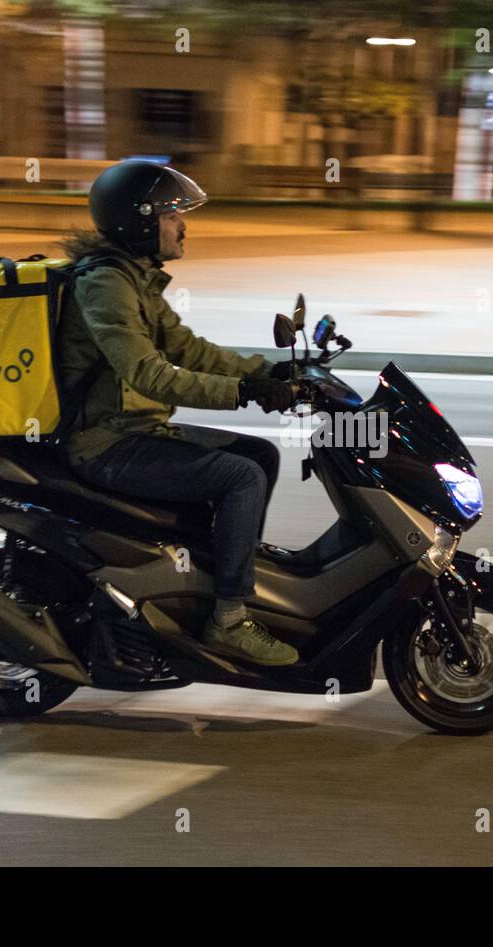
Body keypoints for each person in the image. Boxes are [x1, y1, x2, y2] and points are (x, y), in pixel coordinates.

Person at [55, 160, 301, 666]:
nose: (183, 225)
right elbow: (148, 373)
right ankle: (229, 621)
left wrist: (267, 373)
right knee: (242, 478)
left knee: (259, 454)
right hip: (108, 443)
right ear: (141, 220)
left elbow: (188, 349)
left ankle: (216, 584)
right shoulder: (106, 285)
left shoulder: (134, 277)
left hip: (139, 428)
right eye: (172, 216)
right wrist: (241, 391)